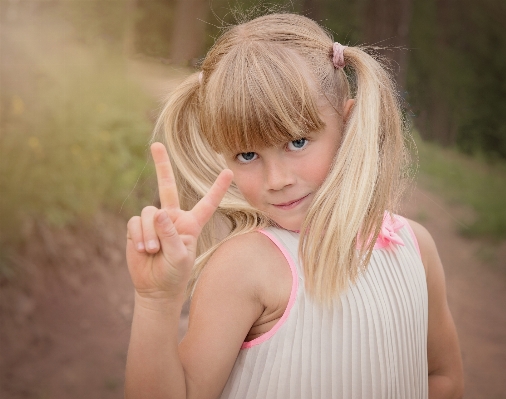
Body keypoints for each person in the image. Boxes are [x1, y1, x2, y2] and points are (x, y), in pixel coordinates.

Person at [124, 13, 463, 399]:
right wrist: (156, 302)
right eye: (247, 154)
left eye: (297, 142)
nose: (277, 179)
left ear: (347, 124)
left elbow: (441, 376)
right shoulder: (245, 267)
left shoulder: (416, 248)